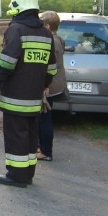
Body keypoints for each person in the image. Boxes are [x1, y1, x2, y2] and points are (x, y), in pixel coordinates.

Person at [0, 0, 56, 187]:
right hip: (34, 99)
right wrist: (43, 85)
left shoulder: (16, 30)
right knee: (30, 137)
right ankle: (27, 175)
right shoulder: (46, 34)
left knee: (15, 136)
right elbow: (51, 68)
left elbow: (7, 63)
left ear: (18, 9)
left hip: (15, 99)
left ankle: (16, 176)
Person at [37, 10, 67, 162]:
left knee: (44, 119)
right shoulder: (59, 39)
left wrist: (44, 85)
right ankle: (40, 147)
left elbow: (49, 66)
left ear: (47, 26)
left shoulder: (51, 41)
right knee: (43, 118)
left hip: (49, 87)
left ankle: (45, 151)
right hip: (55, 85)